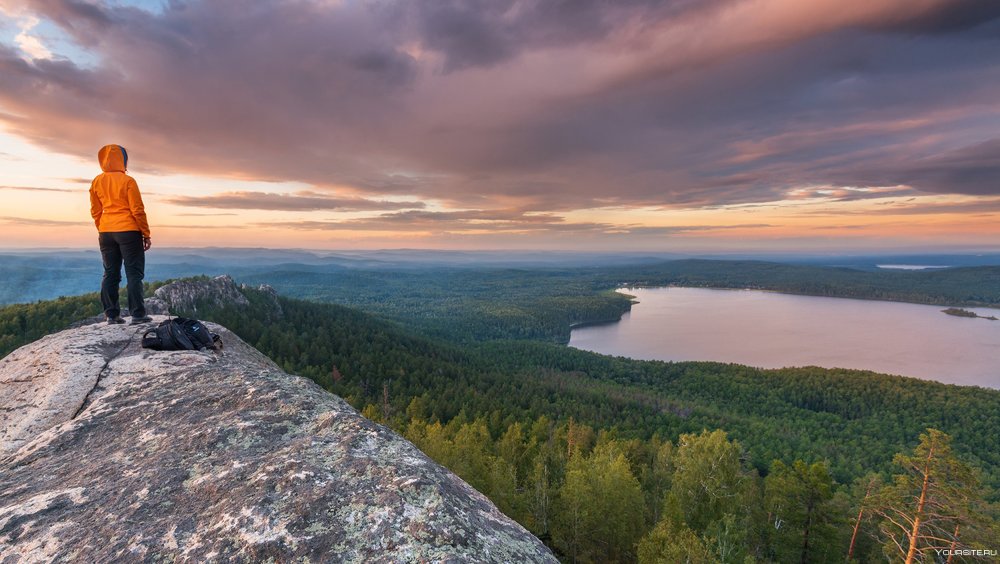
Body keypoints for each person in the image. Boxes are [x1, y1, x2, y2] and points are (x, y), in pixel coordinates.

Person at [89, 144, 153, 325]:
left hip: (106, 232)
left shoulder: (97, 181)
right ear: (123, 160)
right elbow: (137, 210)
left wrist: (102, 227)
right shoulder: (128, 181)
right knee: (134, 273)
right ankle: (138, 315)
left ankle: (111, 315)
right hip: (129, 231)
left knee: (110, 273)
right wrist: (146, 234)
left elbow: (95, 210)